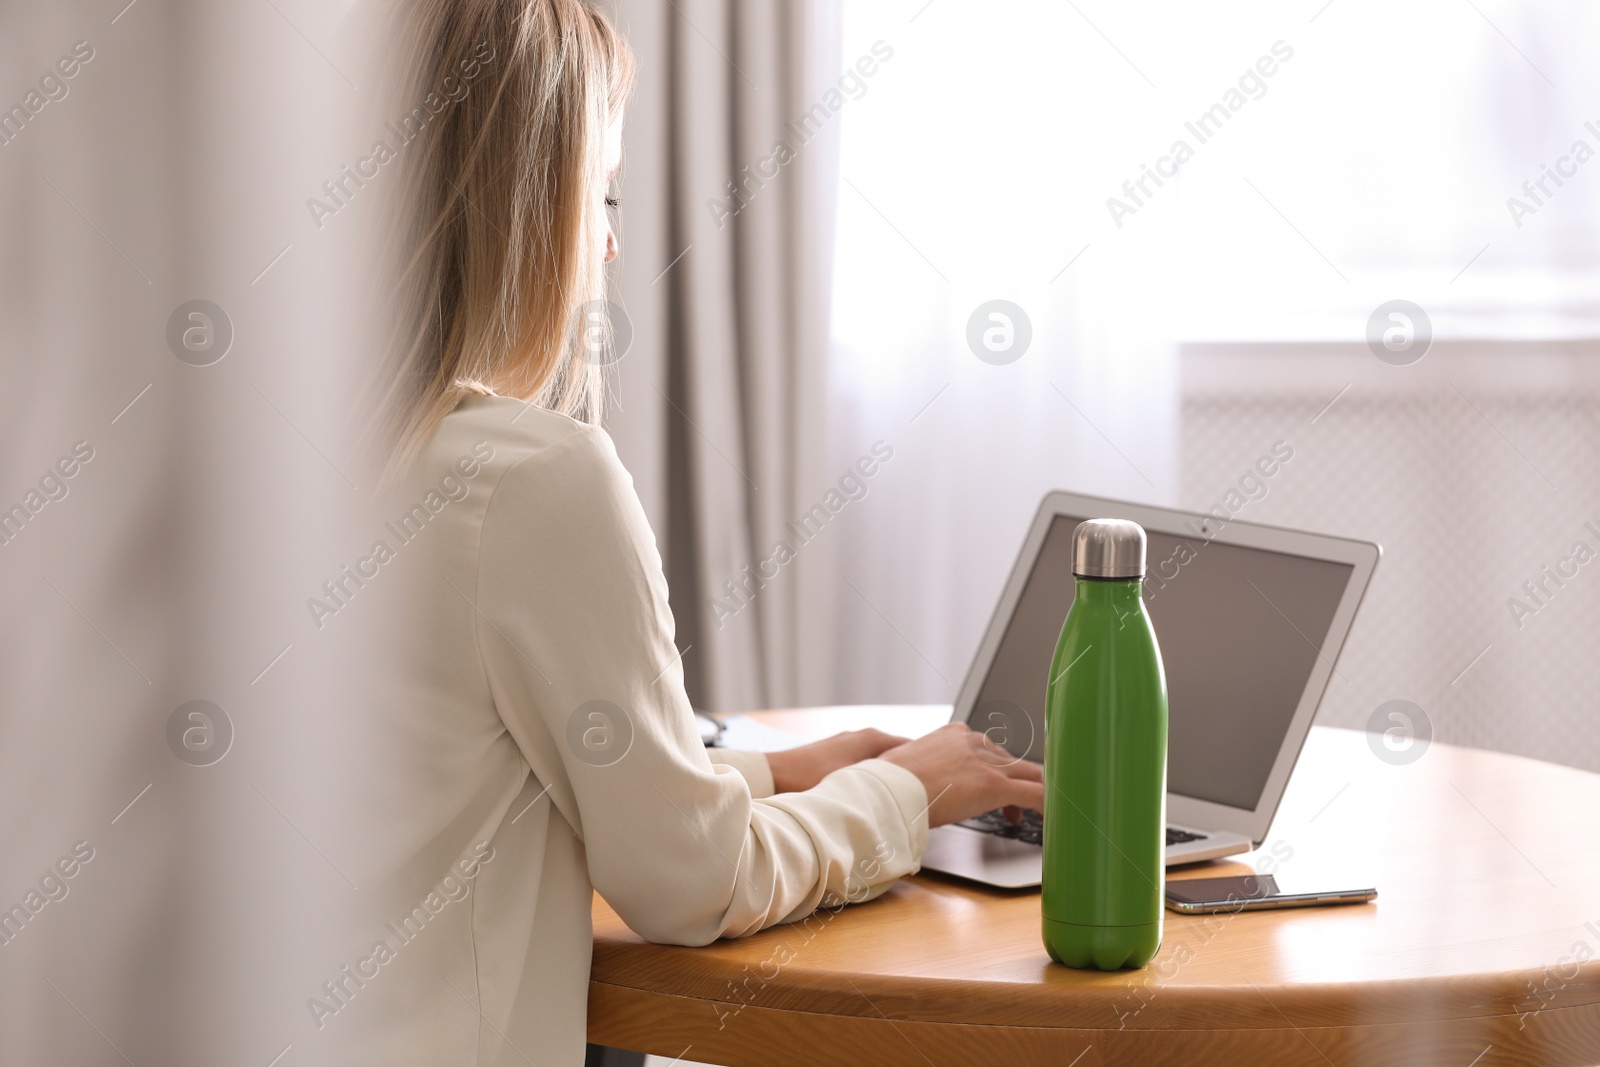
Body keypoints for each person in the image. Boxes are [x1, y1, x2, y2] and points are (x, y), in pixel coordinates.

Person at [352, 2, 1044, 1063]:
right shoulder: (537, 482)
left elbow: (476, 780)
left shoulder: (296, 469)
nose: (614, 241)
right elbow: (691, 884)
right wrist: (909, 791)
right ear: (529, 210)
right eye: (602, 194)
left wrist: (782, 769)